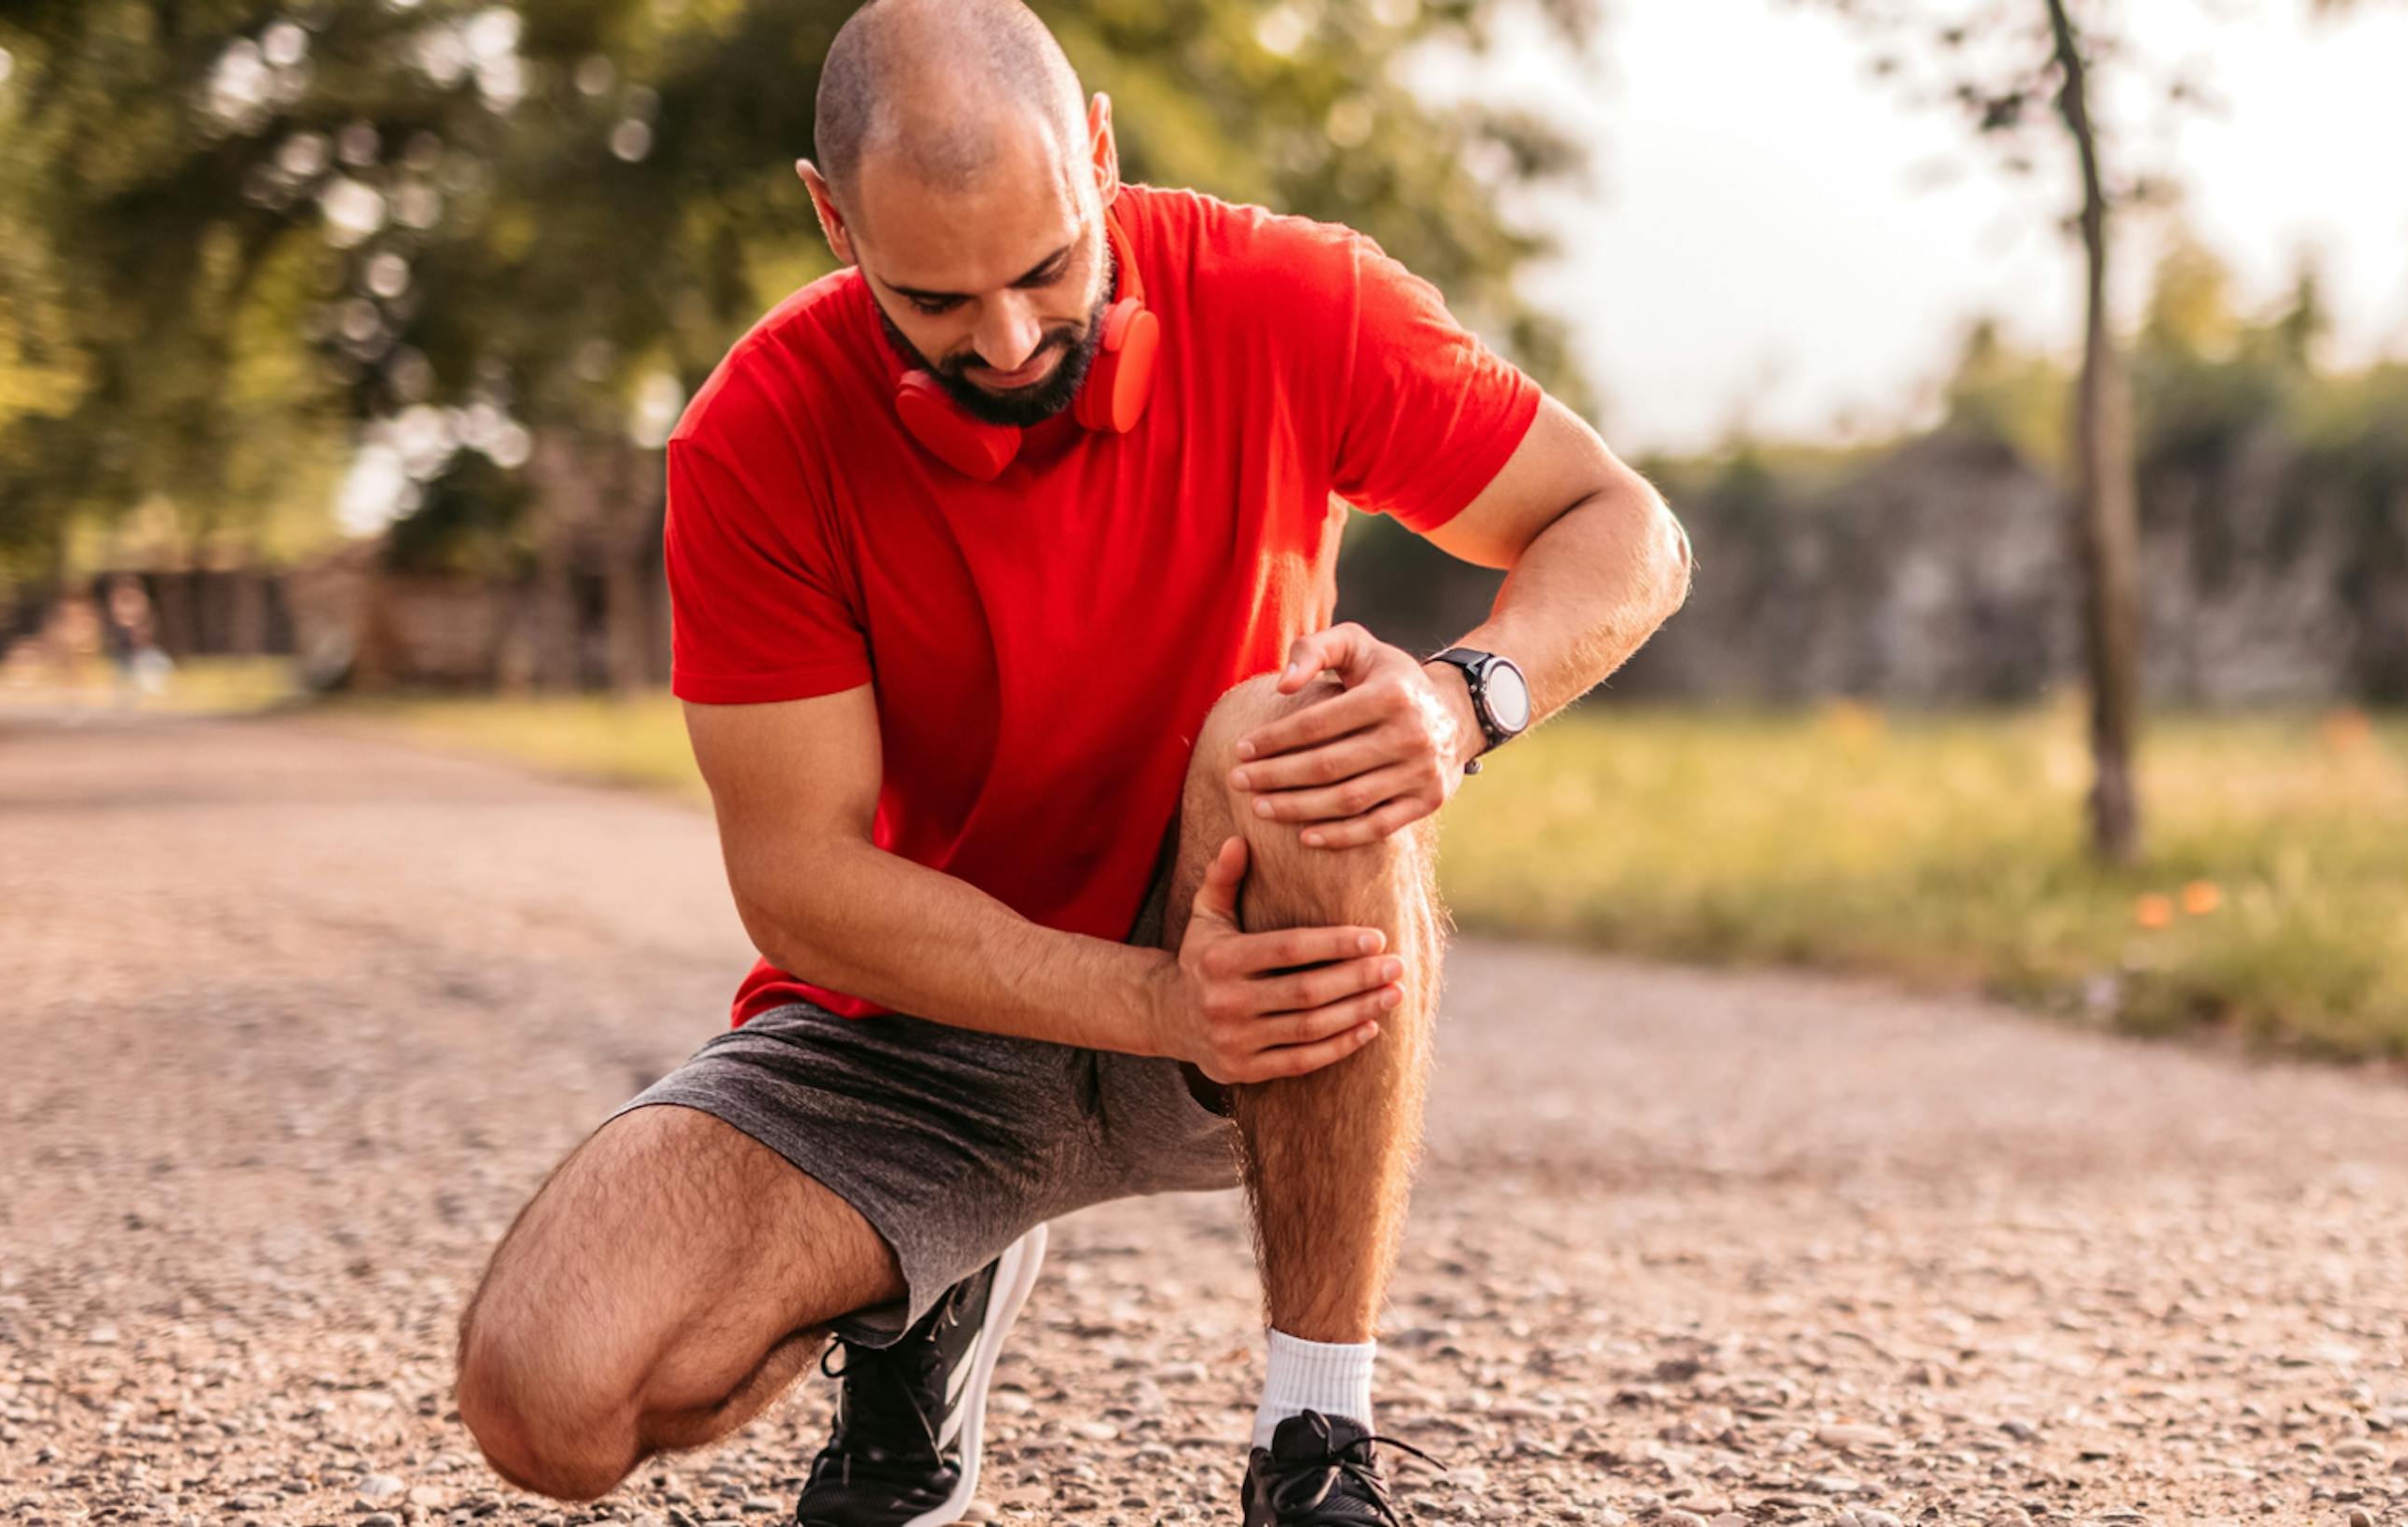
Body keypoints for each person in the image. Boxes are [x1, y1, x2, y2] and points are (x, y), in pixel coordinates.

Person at [453, 3, 1691, 1522]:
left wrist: (1461, 700)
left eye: (1048, 267)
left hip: (1238, 952)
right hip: (926, 1021)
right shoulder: (756, 435)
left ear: (1098, 152)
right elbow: (798, 881)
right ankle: (921, 1291)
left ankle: (1317, 1438)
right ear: (832, 220)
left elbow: (1622, 525)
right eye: (935, 301)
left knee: (1300, 728)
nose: (1012, 341)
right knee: (549, 1395)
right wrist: (1150, 1001)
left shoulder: (1293, 298)